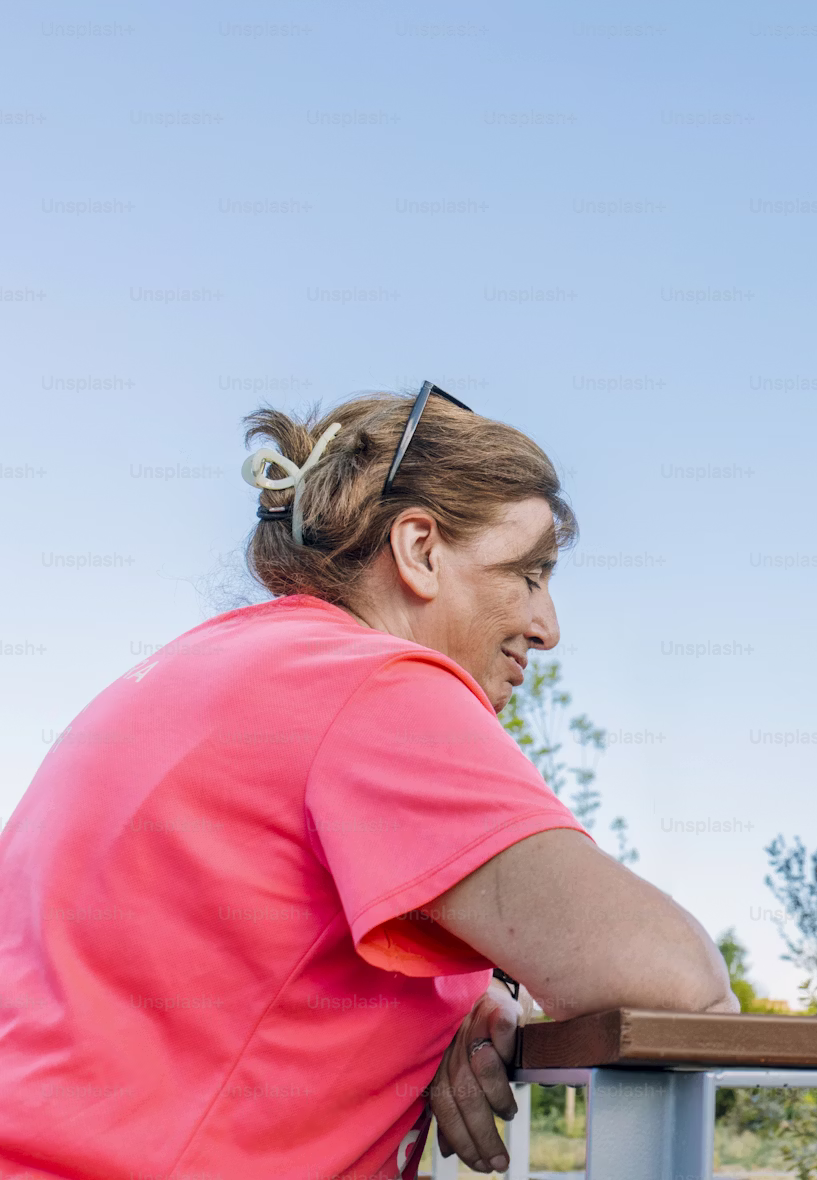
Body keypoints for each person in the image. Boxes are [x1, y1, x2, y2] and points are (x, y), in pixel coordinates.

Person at [0, 386, 737, 1179]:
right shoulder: (378, 688)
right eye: (529, 574)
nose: (548, 627)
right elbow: (680, 983)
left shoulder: (191, 671)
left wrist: (458, 998)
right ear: (420, 548)